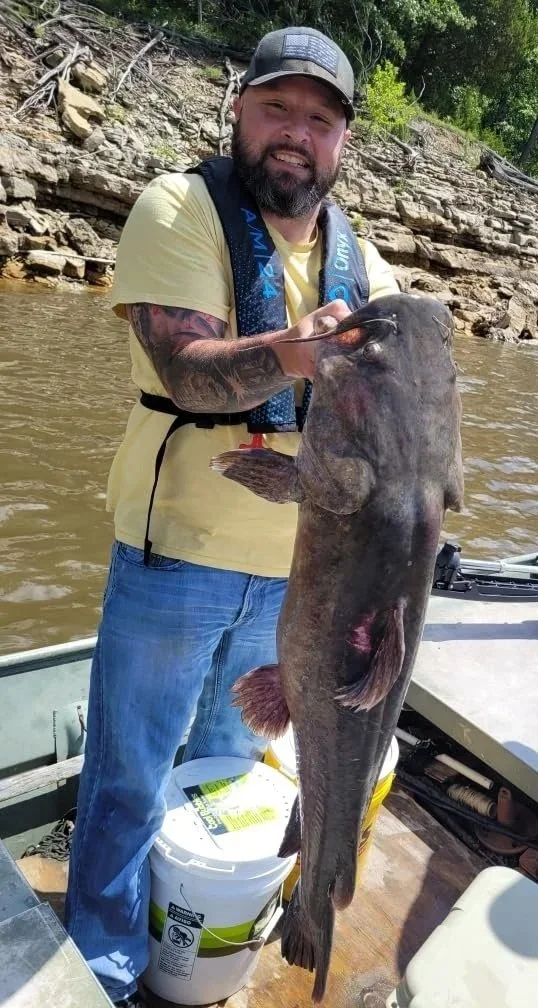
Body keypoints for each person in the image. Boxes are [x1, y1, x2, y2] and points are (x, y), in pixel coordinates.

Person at [64, 25, 399, 1006]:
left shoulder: (365, 261)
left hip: (304, 576)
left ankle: (191, 936)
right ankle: (110, 967)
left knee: (222, 774)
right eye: (277, 109)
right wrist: (296, 355)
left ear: (342, 143)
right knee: (130, 776)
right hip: (179, 551)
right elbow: (187, 372)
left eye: (321, 120)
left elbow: (388, 436)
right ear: (239, 112)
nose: (297, 134)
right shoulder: (180, 207)